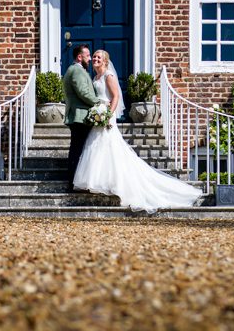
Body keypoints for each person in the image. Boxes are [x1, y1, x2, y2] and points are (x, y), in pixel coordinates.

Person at [74, 50, 203, 213]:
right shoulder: (95, 77)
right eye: (94, 57)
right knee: (95, 145)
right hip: (98, 114)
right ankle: (100, 182)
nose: (95, 59)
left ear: (105, 61)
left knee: (108, 145)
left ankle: (115, 183)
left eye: (99, 57)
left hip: (107, 115)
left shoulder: (108, 76)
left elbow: (115, 97)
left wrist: (108, 115)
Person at [63, 44, 100, 191]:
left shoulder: (77, 70)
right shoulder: (76, 71)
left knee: (78, 149)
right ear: (79, 57)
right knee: (77, 150)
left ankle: (76, 181)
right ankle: (73, 182)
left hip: (80, 116)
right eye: (88, 56)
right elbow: (83, 93)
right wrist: (100, 102)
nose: (90, 59)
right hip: (79, 117)